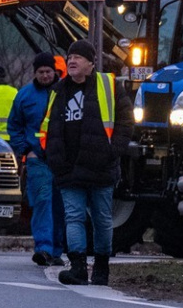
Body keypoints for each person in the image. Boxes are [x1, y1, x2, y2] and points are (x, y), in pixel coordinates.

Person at [42, 40, 133, 286]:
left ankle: (102, 268)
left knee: (102, 218)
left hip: (100, 167)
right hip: (69, 169)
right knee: (74, 217)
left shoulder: (110, 86)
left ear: (92, 63)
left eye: (78, 57)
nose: (72, 61)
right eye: (70, 56)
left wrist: (112, 152)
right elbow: (47, 128)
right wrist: (53, 159)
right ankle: (79, 268)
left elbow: (126, 122)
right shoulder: (59, 90)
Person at [7, 52, 65, 266]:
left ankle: (57, 250)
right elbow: (14, 125)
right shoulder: (25, 95)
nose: (45, 75)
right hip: (37, 158)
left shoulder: (65, 92)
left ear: (54, 71)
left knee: (60, 206)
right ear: (35, 73)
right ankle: (44, 248)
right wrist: (25, 150)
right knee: (42, 202)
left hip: (62, 159)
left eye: (48, 71)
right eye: (41, 72)